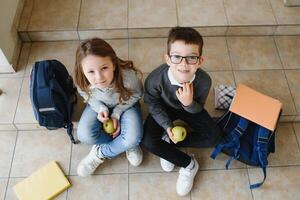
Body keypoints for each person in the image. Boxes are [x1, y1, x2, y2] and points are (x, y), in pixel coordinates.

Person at [142, 27, 222, 196]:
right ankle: (188, 164)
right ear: (168, 59)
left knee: (215, 137)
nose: (183, 64)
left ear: (200, 61)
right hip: (163, 108)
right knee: (148, 141)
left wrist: (188, 103)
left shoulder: (204, 81)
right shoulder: (155, 79)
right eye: (177, 57)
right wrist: (166, 125)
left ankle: (169, 143)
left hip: (189, 108)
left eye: (191, 57)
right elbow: (152, 102)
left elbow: (199, 108)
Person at [74, 38, 143, 177]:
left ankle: (101, 152)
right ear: (82, 71)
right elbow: (86, 95)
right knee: (84, 135)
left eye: (104, 68)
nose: (99, 77)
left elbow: (137, 95)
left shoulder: (129, 77)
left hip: (125, 104)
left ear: (114, 64)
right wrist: (100, 108)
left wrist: (117, 113)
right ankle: (123, 143)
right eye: (91, 72)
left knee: (132, 138)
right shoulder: (81, 80)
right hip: (99, 106)